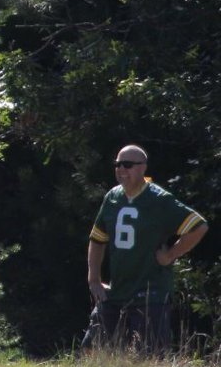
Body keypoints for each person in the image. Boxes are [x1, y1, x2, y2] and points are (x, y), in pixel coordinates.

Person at [82, 145, 209, 353]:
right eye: (118, 165)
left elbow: (199, 226)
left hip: (152, 291)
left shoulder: (159, 200)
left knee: (150, 355)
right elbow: (97, 239)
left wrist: (170, 255)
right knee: (91, 349)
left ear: (143, 168)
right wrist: (94, 279)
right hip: (117, 289)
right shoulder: (112, 198)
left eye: (128, 165)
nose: (122, 169)